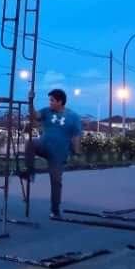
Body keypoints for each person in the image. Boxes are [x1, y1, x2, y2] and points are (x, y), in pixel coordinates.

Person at [22, 88, 82, 219]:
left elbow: (76, 136)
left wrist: (77, 154)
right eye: (49, 100)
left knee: (56, 181)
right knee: (30, 143)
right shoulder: (47, 111)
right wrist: (30, 101)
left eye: (52, 100)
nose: (50, 103)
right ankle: (30, 172)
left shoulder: (73, 117)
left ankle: (55, 209)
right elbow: (34, 115)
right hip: (44, 146)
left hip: (58, 154)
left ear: (60, 102)